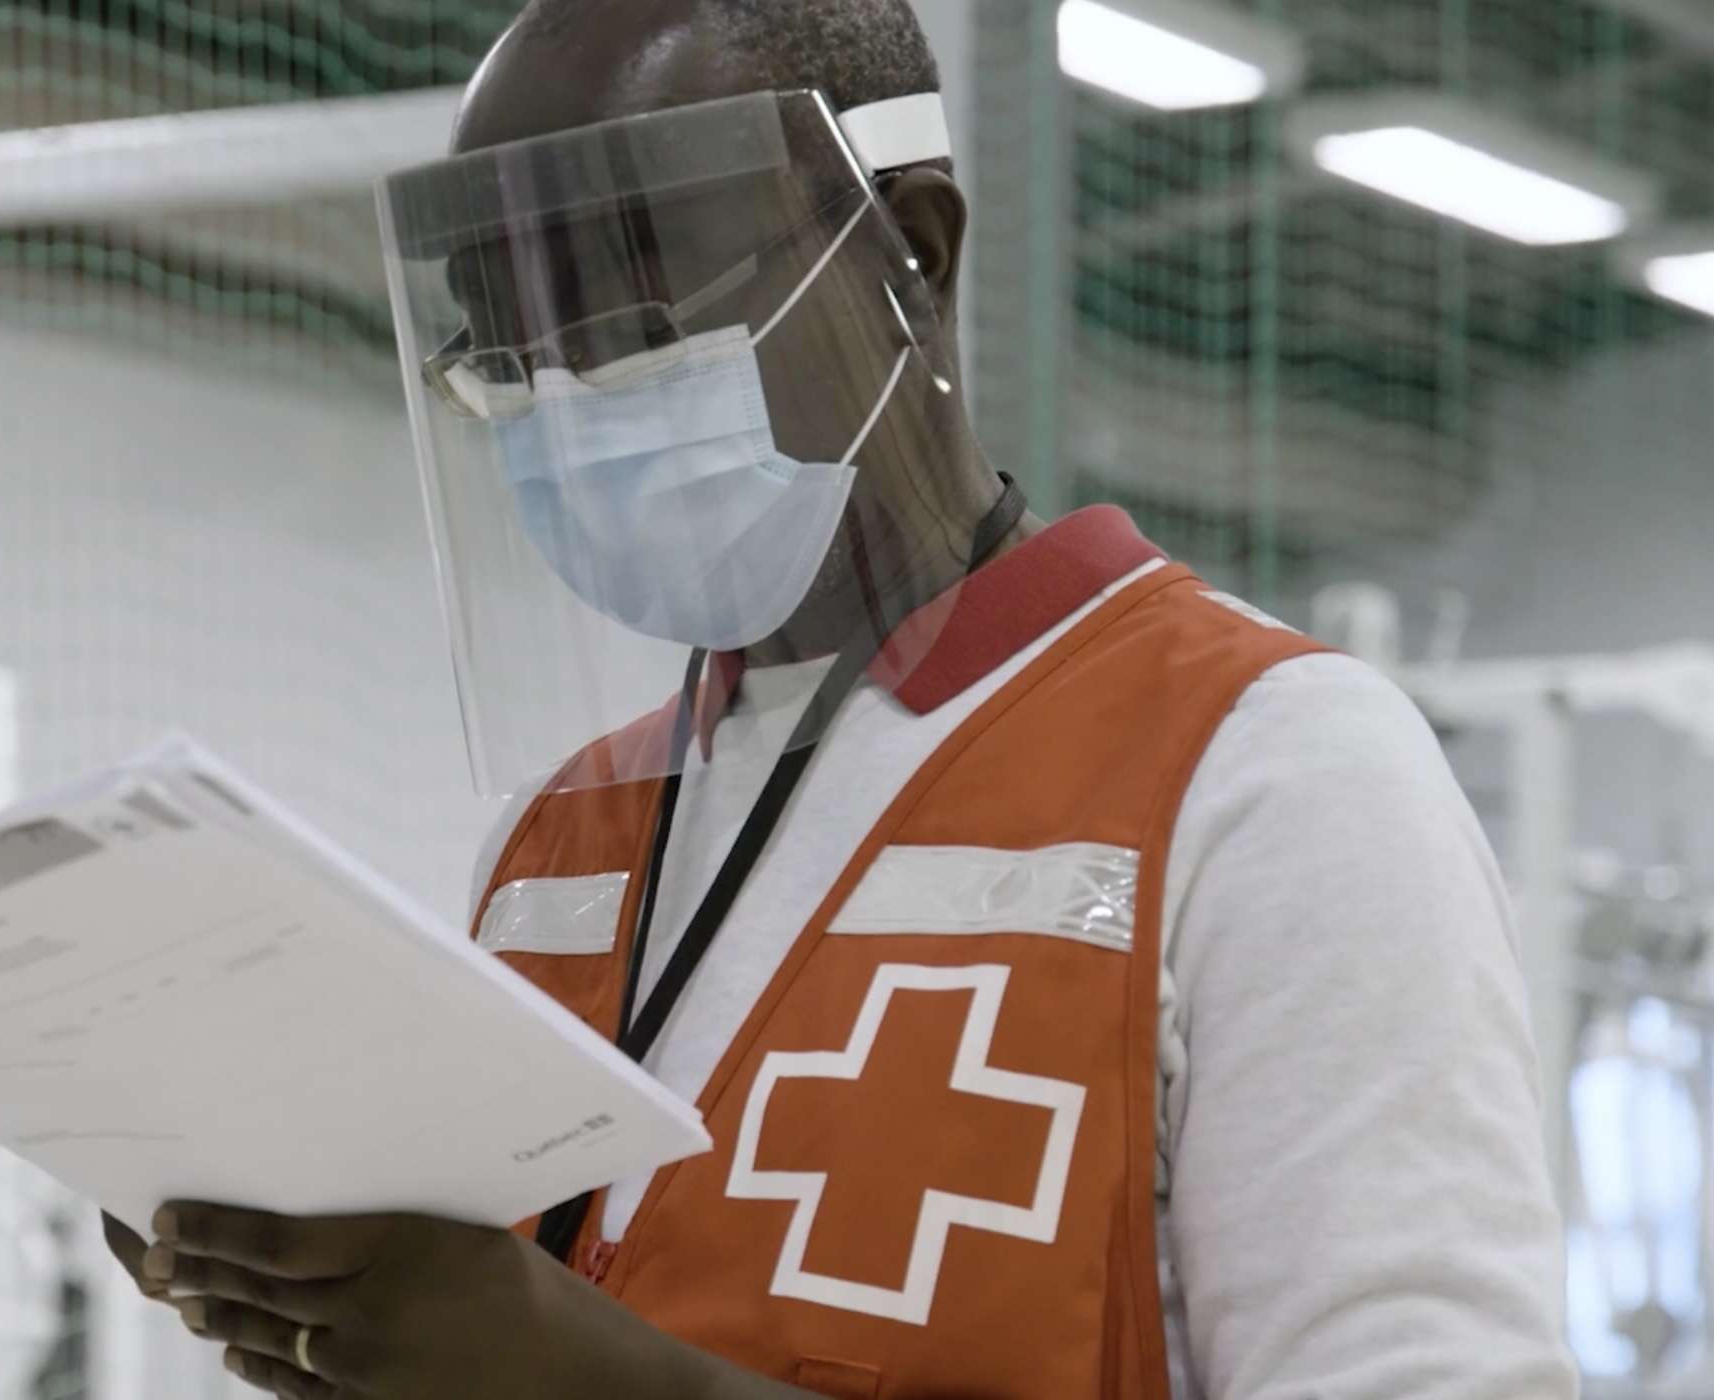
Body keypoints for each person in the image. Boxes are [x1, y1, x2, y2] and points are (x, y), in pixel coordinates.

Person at [104, 0, 1575, 1396]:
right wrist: (322, 1307)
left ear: (912, 253)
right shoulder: (567, 834)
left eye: (630, 323)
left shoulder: (1269, 771)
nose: (566, 402)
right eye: (508, 356)